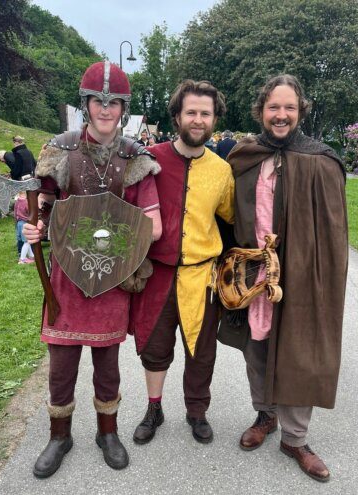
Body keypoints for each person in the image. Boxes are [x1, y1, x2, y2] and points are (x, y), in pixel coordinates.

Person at [23, 60, 162, 478]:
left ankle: (108, 433)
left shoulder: (136, 159)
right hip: (67, 277)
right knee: (61, 363)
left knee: (107, 362)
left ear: (123, 108)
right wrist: (35, 227)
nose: (105, 109)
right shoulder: (61, 150)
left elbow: (152, 226)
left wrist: (111, 235)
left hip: (111, 276)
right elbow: (41, 204)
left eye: (113, 102)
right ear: (86, 104)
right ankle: (59, 436)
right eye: (98, 101)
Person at [223, 74, 348, 482]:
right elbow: (224, 213)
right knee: (256, 348)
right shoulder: (244, 156)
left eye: (289, 108)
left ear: (300, 111)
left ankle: (295, 438)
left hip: (300, 273)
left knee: (300, 351)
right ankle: (265, 415)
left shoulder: (320, 160)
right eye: (273, 107)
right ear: (261, 111)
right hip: (252, 272)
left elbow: (333, 232)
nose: (281, 115)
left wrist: (318, 275)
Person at [130, 80, 234, 445]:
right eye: (191, 112)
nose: (197, 119)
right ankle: (154, 407)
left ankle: (197, 411)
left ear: (214, 119)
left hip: (201, 277)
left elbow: (229, 217)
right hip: (156, 274)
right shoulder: (150, 159)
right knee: (155, 349)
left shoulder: (222, 171)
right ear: (177, 116)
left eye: (205, 113)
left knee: (201, 352)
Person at [14, 191, 35, 264]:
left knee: (26, 241)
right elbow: (30, 212)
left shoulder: (17, 201)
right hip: (25, 223)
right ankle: (22, 259)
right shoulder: (26, 202)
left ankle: (31, 256)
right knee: (27, 242)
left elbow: (15, 212)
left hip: (19, 223)